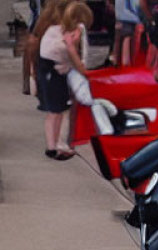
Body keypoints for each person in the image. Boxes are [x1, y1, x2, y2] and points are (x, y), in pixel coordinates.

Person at [37, 0, 92, 160]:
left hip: (53, 72)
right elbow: (70, 54)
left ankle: (52, 146)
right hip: (53, 73)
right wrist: (81, 68)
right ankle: (56, 145)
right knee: (57, 111)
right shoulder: (61, 33)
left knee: (56, 112)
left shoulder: (53, 30)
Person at [112, 0, 142, 66]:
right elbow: (121, 12)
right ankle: (124, 63)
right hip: (126, 21)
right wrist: (139, 20)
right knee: (126, 36)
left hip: (130, 20)